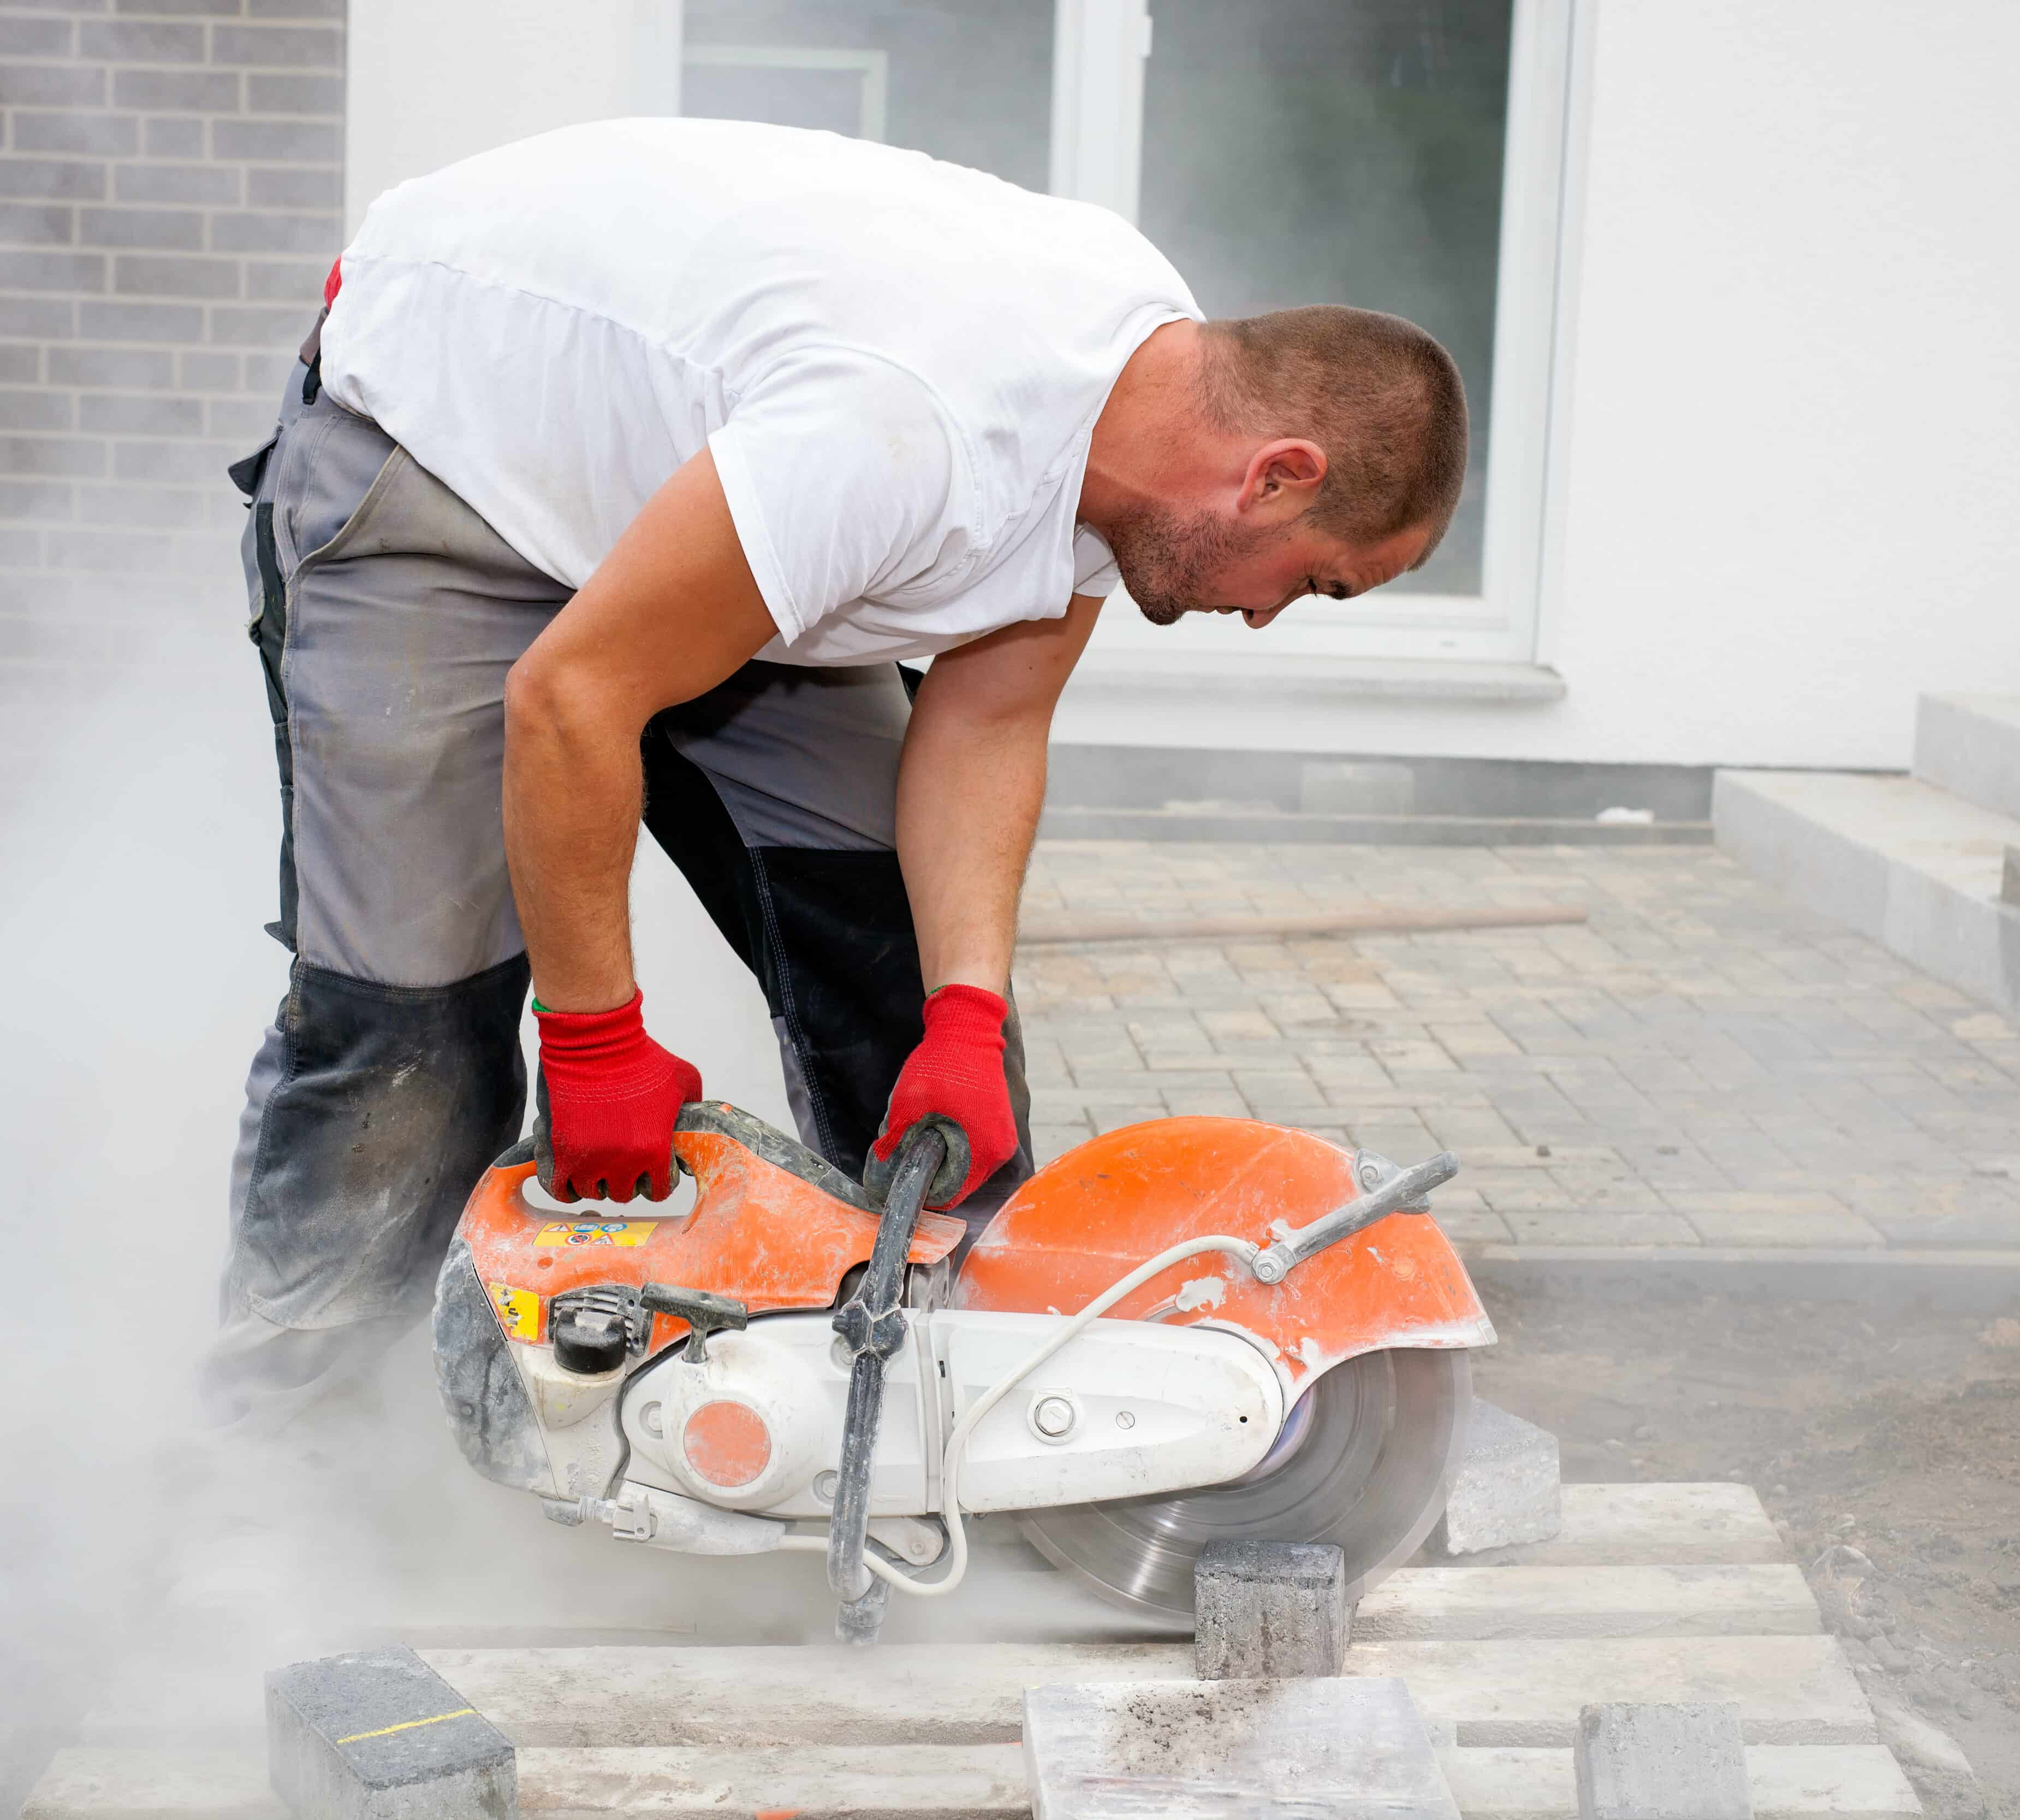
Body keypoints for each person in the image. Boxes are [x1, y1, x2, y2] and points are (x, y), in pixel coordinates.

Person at [206, 115, 1468, 1430]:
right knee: (409, 1033)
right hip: (447, 461)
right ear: (1276, 477)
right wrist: (591, 1042)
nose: (1269, 617)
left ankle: (941, 1413)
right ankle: (291, 1477)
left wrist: (964, 1020)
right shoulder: (910, 429)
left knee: (897, 962)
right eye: (1310, 580)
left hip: (728, 499)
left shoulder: (1145, 444)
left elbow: (985, 721)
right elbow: (574, 698)